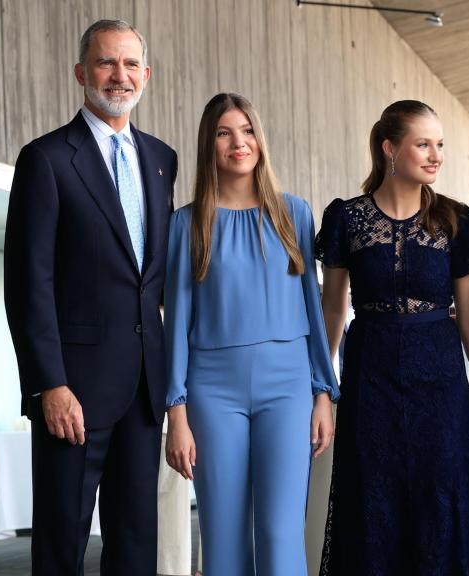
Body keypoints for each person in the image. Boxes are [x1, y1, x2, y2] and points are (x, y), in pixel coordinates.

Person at [3, 19, 177, 575]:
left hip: (143, 389)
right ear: (81, 72)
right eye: (106, 63)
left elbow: (150, 277)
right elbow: (28, 284)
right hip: (72, 392)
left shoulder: (161, 159)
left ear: (146, 75)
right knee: (61, 544)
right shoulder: (46, 159)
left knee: (135, 546)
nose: (119, 75)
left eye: (130, 64)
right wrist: (49, 383)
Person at [315, 100, 469, 575]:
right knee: (372, 499)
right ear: (390, 148)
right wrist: (318, 386)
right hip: (369, 377)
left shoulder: (456, 221)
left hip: (440, 379)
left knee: (442, 502)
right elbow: (333, 308)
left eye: (440, 144)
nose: (435, 155)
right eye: (423, 144)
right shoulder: (347, 219)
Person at [163, 93, 338, 576]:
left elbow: (313, 305)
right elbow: (175, 321)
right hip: (211, 390)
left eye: (247, 130)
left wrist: (322, 392)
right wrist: (175, 412)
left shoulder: (294, 214)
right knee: (222, 531)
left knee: (281, 532)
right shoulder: (186, 223)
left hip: (287, 387)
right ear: (209, 144)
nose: (239, 142)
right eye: (224, 132)